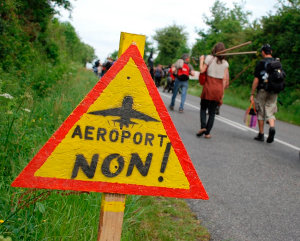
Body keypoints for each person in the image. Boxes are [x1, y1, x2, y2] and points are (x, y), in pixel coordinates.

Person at [196, 42, 229, 139]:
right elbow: (225, 79)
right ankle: (207, 133)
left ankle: (203, 127)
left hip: (209, 86)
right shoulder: (226, 64)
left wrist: (201, 60)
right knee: (212, 112)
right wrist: (222, 93)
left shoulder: (209, 58)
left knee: (203, 107)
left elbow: (202, 70)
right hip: (218, 89)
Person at [250, 44, 278, 143]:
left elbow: (256, 79)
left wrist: (252, 93)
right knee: (270, 109)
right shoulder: (277, 63)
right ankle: (272, 127)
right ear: (271, 52)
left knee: (261, 111)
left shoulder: (261, 63)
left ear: (263, 52)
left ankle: (261, 134)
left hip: (262, 90)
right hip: (274, 90)